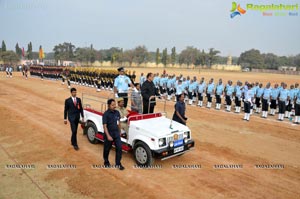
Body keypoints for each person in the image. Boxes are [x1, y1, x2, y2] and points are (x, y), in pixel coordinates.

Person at [102, 99, 124, 170]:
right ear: (109, 105)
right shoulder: (105, 114)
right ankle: (106, 161)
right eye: (112, 105)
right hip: (109, 134)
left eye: (115, 105)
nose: (114, 106)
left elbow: (119, 122)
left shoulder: (117, 112)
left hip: (116, 133)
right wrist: (108, 136)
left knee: (119, 148)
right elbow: (105, 126)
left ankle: (118, 163)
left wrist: (120, 131)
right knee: (107, 149)